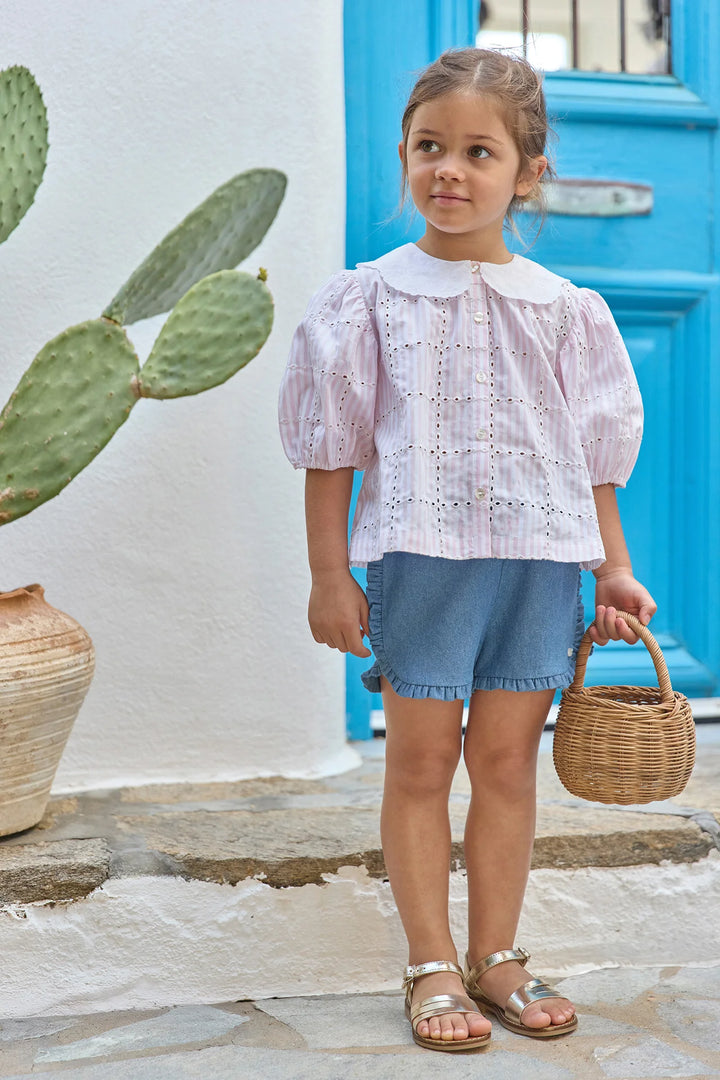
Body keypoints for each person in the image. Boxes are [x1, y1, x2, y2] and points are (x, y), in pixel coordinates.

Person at [278, 47, 656, 1052]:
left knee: (503, 764)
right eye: (429, 147)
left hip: (539, 564)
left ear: (527, 173)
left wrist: (611, 565)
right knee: (417, 763)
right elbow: (331, 448)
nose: (449, 170)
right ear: (403, 155)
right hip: (421, 562)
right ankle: (429, 962)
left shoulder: (569, 311)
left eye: (478, 152)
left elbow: (594, 457)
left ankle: (497, 957)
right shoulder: (366, 300)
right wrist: (330, 574)